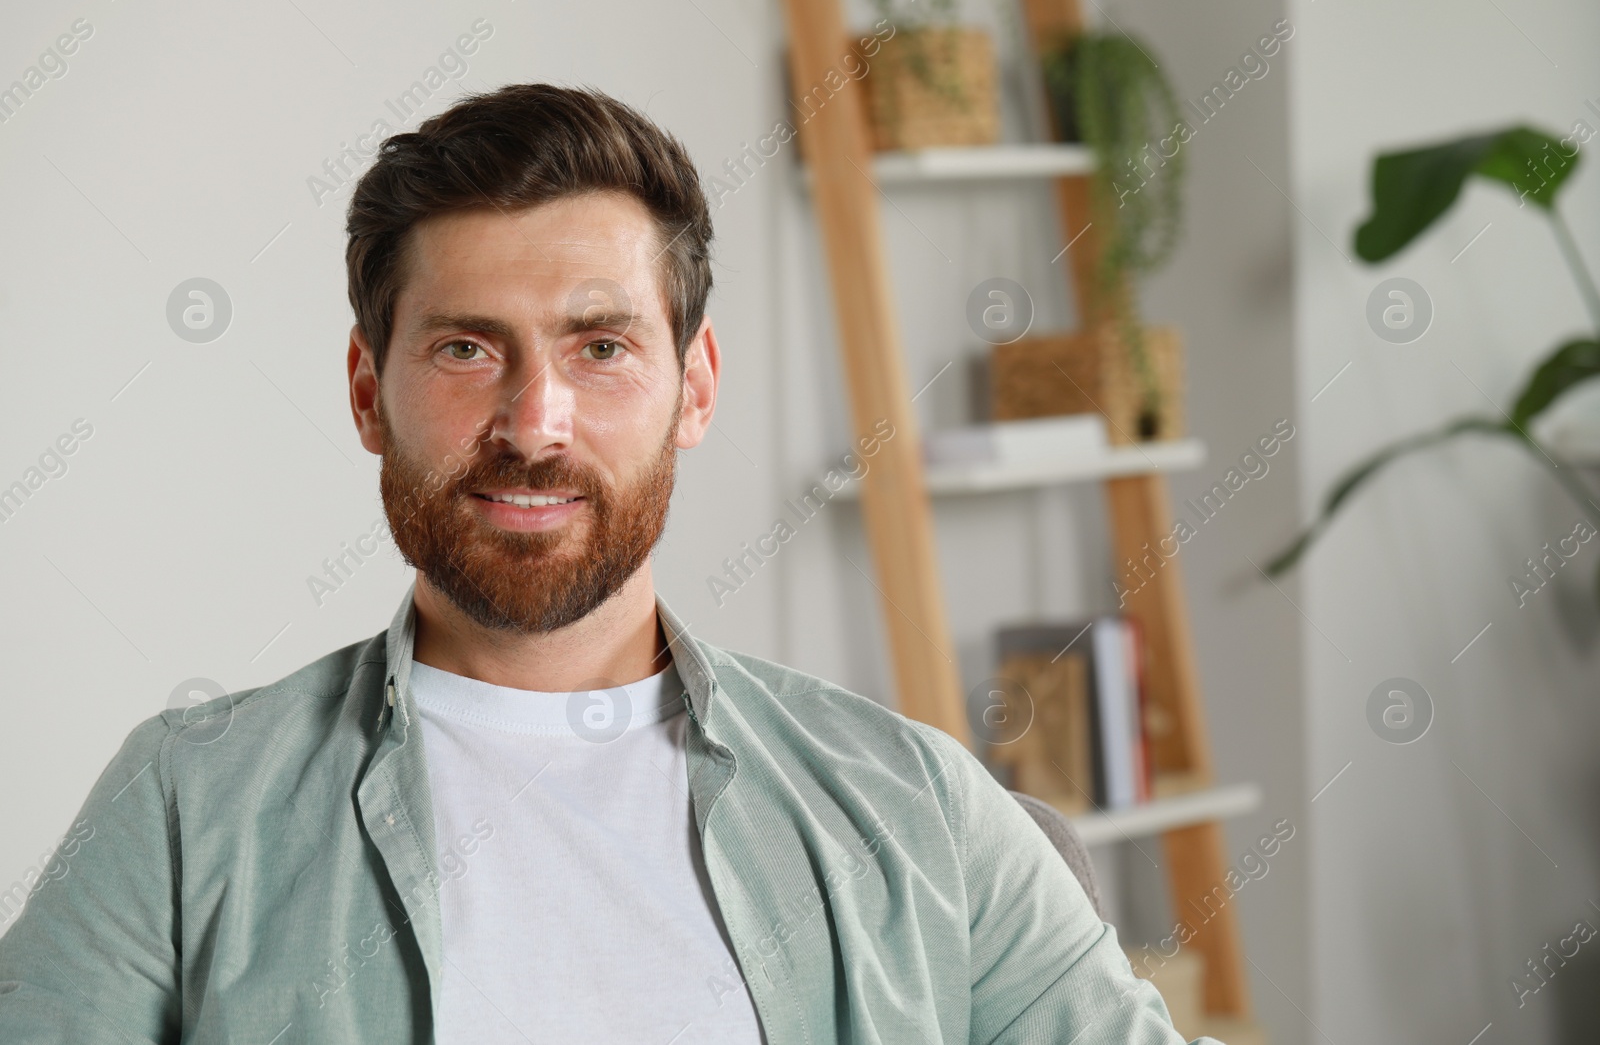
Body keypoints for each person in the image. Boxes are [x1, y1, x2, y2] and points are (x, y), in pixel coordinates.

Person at [0, 83, 1217, 1044]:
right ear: (370, 394)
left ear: (694, 390)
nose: (535, 425)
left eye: (600, 348)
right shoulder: (185, 805)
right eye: (469, 348)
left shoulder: (917, 806)